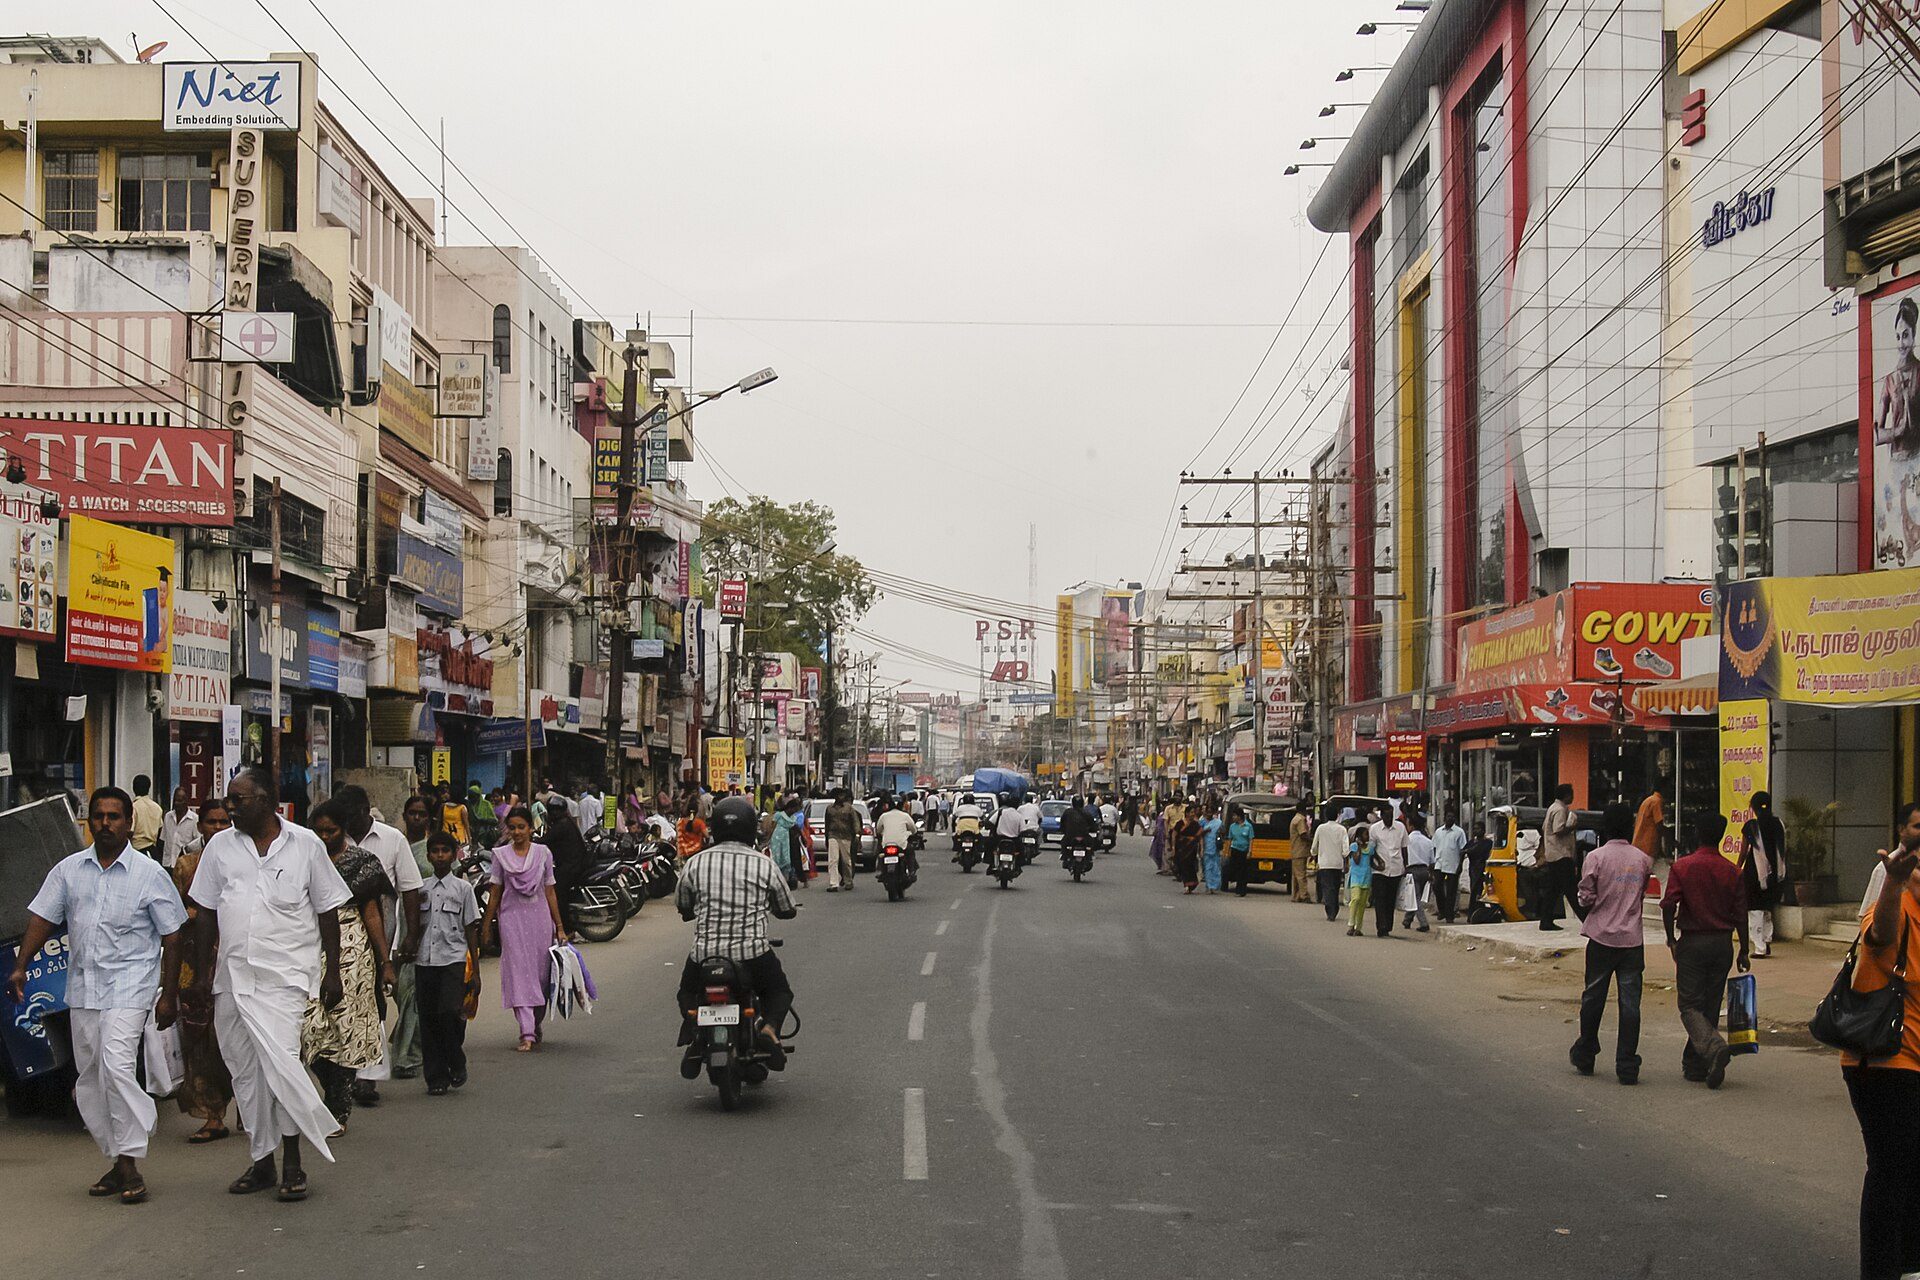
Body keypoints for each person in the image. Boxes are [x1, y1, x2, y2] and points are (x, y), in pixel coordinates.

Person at [9, 786, 185, 1204]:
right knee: (91, 1077)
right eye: (99, 816)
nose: (106, 823)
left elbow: (174, 934)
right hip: (84, 989)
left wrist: (170, 993)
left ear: (129, 822)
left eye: (114, 816)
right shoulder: (69, 870)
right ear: (89, 821)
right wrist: (21, 964)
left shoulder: (149, 875)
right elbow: (42, 917)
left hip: (130, 988)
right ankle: (118, 1158)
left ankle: (131, 1158)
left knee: (116, 1066)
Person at [182, 766, 349, 1202]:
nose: (229, 808)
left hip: (286, 979)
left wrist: (332, 972)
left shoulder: (306, 845)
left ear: (268, 800)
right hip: (232, 979)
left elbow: (327, 909)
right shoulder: (219, 848)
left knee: (282, 1067)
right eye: (228, 800)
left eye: (239, 800)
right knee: (246, 1073)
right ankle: (261, 1163)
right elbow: (205, 913)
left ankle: (293, 1162)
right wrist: (201, 976)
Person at [1843, 800, 1920, 1280]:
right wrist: (1891, 881)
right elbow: (1879, 935)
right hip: (1884, 1061)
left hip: (1914, 1061)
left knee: (1912, 1170)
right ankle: (1881, 1270)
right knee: (1892, 1171)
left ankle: (1910, 1264)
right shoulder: (1895, 906)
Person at [672, 796, 798, 1077]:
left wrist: (690, 912)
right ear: (750, 828)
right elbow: (786, 907)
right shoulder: (763, 864)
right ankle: (768, 1029)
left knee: (687, 993)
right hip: (752, 954)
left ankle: (694, 1031)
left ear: (714, 826)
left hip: (705, 956)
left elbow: (682, 902)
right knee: (779, 992)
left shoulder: (696, 863)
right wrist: (781, 912)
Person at [300, 799, 395, 1130]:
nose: (324, 837)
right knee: (309, 1025)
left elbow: (372, 912)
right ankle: (332, 1086)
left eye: (331, 831)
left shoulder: (362, 863)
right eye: (319, 830)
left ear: (344, 830)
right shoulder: (304, 859)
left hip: (352, 948)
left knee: (346, 1024)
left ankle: (337, 1101)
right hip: (309, 943)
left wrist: (386, 961)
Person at [330, 785, 423, 1103]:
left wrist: (411, 936)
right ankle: (347, 1071)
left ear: (366, 811)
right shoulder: (332, 841)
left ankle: (367, 1074)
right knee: (342, 1005)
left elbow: (410, 889)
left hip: (383, 936)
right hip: (337, 939)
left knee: (375, 1004)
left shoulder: (392, 839)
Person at [1661, 812, 1750, 1089]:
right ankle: (1697, 1064)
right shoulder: (1732, 871)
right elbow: (1741, 915)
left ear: (1697, 833)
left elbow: (1667, 905)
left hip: (1693, 941)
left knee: (1689, 1005)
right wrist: (1744, 950)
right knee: (1709, 1005)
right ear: (1722, 836)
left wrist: (1671, 939)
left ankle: (1712, 1049)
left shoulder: (1683, 866)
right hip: (1722, 942)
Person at [1570, 802, 1654, 1085]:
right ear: (1630, 827)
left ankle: (1587, 1051)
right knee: (1630, 1005)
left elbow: (1585, 897)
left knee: (1593, 997)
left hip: (1601, 937)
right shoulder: (1643, 859)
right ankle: (1627, 1064)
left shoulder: (1595, 857)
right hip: (1631, 941)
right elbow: (1640, 894)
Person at [170, 798, 235, 1144]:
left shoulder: (244, 862)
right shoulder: (186, 866)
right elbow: (175, 917)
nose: (218, 828)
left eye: (225, 822)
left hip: (236, 958)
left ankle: (252, 1108)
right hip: (195, 963)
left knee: (235, 1038)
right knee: (200, 1040)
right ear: (201, 826)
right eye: (212, 822)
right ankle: (212, 1114)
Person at [481, 806, 567, 1052]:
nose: (517, 832)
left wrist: (559, 927)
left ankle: (535, 1022)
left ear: (531, 828)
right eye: (512, 827)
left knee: (540, 975)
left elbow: (550, 890)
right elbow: (495, 891)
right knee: (519, 973)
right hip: (511, 920)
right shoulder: (500, 856)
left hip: (540, 920)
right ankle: (526, 1031)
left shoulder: (543, 853)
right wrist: (487, 925)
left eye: (522, 827)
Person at [415, 831, 481, 1097]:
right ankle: (436, 1076)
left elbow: (470, 929)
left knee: (449, 1013)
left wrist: (475, 970)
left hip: (453, 959)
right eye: (435, 851)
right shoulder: (420, 889)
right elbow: (413, 924)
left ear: (454, 855)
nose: (440, 855)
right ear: (429, 856)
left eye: (445, 851)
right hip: (425, 960)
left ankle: (456, 1059)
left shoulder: (463, 889)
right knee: (428, 1019)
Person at [1740, 791, 1794, 960]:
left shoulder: (1751, 826)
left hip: (1754, 871)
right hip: (1775, 873)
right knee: (1767, 907)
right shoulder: (1779, 824)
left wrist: (1737, 868)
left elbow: (1743, 851)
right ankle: (1767, 940)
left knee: (1754, 908)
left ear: (1753, 807)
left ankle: (1759, 946)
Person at [542, 805, 591, 941]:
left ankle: (567, 929)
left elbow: (545, 841)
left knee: (557, 895)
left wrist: (531, 842)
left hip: (570, 866)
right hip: (573, 864)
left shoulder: (561, 826)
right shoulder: (567, 822)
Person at [1540, 784, 1579, 931]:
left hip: (1553, 854)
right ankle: (1586, 918)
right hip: (1561, 854)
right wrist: (1572, 826)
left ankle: (1546, 920)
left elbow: (1545, 828)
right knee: (1570, 889)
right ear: (1566, 795)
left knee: (1553, 890)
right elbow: (1558, 830)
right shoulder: (1560, 810)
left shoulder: (1552, 808)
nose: (1573, 797)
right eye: (1571, 794)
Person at [1368, 807, 1408, 938]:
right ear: (1382, 816)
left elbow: (1404, 847)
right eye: (1386, 817)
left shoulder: (1400, 827)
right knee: (1380, 899)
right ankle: (1381, 927)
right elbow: (1371, 849)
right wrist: (1374, 864)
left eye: (1391, 817)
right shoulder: (1374, 829)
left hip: (1396, 868)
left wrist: (1406, 866)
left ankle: (1388, 925)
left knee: (1390, 900)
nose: (1389, 820)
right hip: (1380, 870)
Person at [1311, 805, 1349, 922]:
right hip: (1337, 863)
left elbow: (1314, 847)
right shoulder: (1342, 829)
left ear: (1326, 815)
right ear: (1337, 816)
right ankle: (1334, 909)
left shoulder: (1321, 828)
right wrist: (1345, 859)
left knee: (1327, 888)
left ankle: (1330, 911)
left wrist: (1314, 853)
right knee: (1335, 887)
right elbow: (1346, 849)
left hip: (1325, 863)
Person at [1432, 808, 1468, 924]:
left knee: (1451, 891)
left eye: (1452, 817)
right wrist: (1433, 862)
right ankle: (1442, 910)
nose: (1450, 818)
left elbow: (1463, 850)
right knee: (1437, 886)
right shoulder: (1438, 832)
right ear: (1444, 818)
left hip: (1453, 864)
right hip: (1439, 863)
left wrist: (1460, 865)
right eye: (1448, 816)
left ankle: (1449, 915)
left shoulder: (1459, 832)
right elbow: (1434, 847)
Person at [1403, 813, 1434, 933]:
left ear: (1411, 826)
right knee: (1417, 896)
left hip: (1412, 870)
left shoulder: (1407, 840)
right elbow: (1432, 861)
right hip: (1425, 870)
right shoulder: (1427, 841)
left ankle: (1423, 923)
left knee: (1415, 898)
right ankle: (1407, 919)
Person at [1346, 813, 1375, 937]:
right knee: (1355, 899)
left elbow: (1373, 860)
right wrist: (1358, 846)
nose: (1367, 836)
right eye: (1365, 834)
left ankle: (1359, 927)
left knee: (1363, 903)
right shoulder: (1353, 847)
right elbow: (1356, 860)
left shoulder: (1371, 848)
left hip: (1366, 876)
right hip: (1356, 876)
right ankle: (1351, 924)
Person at [824, 789, 859, 889]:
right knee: (833, 860)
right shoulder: (830, 809)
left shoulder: (849, 808)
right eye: (839, 795)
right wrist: (826, 837)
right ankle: (833, 883)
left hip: (846, 836)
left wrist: (857, 835)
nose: (841, 797)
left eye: (842, 795)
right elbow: (827, 824)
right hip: (833, 835)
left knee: (846, 860)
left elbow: (855, 822)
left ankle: (848, 881)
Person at [160, 786, 197, 869]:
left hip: (184, 865)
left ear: (186, 801)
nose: (176, 803)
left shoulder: (194, 819)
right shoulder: (168, 816)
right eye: (175, 800)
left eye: (180, 801)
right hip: (167, 863)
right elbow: (163, 840)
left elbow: (197, 845)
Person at [129, 774, 164, 856]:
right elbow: (160, 832)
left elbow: (130, 831)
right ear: (149, 788)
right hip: (153, 852)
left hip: (137, 851)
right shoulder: (157, 808)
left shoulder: (134, 807)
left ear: (134, 788)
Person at [1170, 806, 1202, 894]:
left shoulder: (1196, 824)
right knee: (1183, 867)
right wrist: (1173, 847)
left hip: (1192, 849)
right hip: (1181, 849)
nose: (1193, 814)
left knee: (1191, 867)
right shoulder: (1180, 824)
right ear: (1187, 813)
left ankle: (1191, 884)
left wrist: (1201, 848)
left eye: (1193, 812)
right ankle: (1187, 885)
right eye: (1191, 812)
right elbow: (1174, 835)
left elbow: (1200, 837)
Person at [1226, 803, 1254, 898]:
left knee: (1243, 871)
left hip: (1244, 851)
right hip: (1235, 850)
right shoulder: (1232, 827)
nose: (1233, 817)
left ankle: (1242, 890)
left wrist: (1250, 851)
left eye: (1234, 815)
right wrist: (1228, 851)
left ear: (1239, 816)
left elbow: (1250, 839)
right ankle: (1238, 889)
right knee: (1236, 870)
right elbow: (1230, 839)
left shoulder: (1248, 826)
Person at [1633, 785, 1668, 861]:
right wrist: (1670, 838)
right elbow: (1659, 825)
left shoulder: (1649, 800)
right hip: (1647, 847)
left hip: (1639, 846)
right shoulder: (1656, 802)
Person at [1289, 803, 1313, 903]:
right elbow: (1303, 834)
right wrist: (1312, 840)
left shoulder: (1295, 818)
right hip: (1300, 850)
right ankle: (1304, 895)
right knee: (1301, 875)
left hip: (1295, 850)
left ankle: (1296, 895)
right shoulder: (1300, 820)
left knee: (1296, 875)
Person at [1199, 802, 1224, 894]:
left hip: (1216, 848)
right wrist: (1205, 831)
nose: (1209, 813)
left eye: (1211, 812)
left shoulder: (1218, 822)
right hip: (1206, 848)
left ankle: (1215, 886)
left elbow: (1223, 833)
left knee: (1216, 868)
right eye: (1207, 811)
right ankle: (1209, 886)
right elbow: (1199, 835)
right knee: (1208, 868)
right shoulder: (1202, 822)